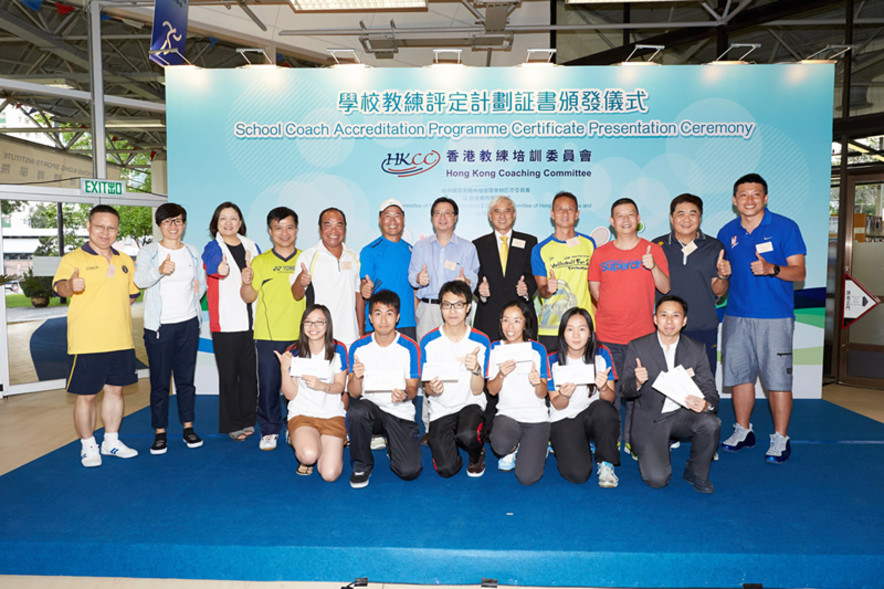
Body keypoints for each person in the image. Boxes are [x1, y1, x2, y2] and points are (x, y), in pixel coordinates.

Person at [717, 173, 806, 464]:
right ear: (734, 200)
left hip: (775, 317)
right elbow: (722, 279)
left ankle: (781, 438)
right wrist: (722, 276)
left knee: (778, 380)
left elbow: (799, 272)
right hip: (736, 316)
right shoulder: (727, 232)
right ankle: (743, 430)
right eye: (743, 195)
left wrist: (773, 269)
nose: (749, 200)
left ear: (765, 198)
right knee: (740, 377)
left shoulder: (784, 227)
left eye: (756, 194)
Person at [53, 204, 140, 467]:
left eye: (111, 227)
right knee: (87, 396)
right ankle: (88, 445)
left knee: (115, 391)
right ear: (89, 227)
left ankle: (111, 441)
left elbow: (132, 293)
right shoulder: (73, 259)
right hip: (87, 342)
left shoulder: (125, 260)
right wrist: (72, 285)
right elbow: (60, 288)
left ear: (117, 230)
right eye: (100, 226)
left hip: (121, 339)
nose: (105, 232)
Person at [588, 197, 670, 454]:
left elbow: (665, 288)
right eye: (619, 215)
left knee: (638, 393)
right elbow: (595, 290)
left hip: (642, 336)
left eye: (630, 214)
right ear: (612, 222)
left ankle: (634, 439)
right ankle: (611, 438)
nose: (625, 219)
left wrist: (653, 267)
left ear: (638, 219)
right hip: (608, 336)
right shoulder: (601, 253)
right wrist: (615, 309)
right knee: (609, 393)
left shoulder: (652, 250)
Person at [620, 295, 721, 493]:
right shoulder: (637, 347)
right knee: (657, 480)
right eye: (663, 315)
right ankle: (656, 449)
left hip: (683, 414)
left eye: (675, 316)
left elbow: (710, 389)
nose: (669, 321)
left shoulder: (696, 349)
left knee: (711, 422)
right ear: (655, 319)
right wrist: (637, 382)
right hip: (651, 419)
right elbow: (625, 390)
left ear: (684, 321)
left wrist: (706, 404)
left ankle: (695, 471)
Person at [134, 203, 207, 455]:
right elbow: (139, 280)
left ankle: (188, 428)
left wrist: (195, 297)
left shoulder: (192, 251)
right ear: (159, 225)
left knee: (186, 381)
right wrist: (159, 271)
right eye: (167, 222)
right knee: (160, 383)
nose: (173, 226)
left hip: (187, 325)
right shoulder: (149, 252)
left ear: (184, 224)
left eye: (178, 221)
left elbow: (201, 284)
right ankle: (160, 432)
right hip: (159, 328)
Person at [241, 207, 306, 451]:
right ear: (270, 231)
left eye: (289, 227)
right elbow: (248, 297)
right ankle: (269, 429)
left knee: (301, 387)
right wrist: (246, 282)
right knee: (268, 386)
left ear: (296, 230)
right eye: (278, 228)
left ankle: (297, 426)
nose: (284, 233)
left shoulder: (306, 259)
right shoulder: (260, 261)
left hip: (302, 336)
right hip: (268, 336)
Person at [347, 290, 422, 488]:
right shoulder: (358, 347)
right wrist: (356, 376)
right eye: (378, 313)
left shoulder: (410, 347)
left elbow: (413, 387)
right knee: (357, 410)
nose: (383, 320)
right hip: (372, 412)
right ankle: (362, 464)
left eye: (389, 314)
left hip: (400, 413)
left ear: (397, 317)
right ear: (370, 317)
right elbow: (353, 393)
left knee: (409, 471)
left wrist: (405, 394)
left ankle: (392, 441)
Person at [202, 202, 261, 441]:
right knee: (229, 376)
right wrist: (220, 267)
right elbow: (214, 265)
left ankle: (248, 419)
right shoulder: (213, 247)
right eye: (223, 219)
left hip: (252, 323)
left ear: (240, 222)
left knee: (249, 375)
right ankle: (232, 422)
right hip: (225, 323)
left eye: (233, 218)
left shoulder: (251, 245)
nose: (228, 223)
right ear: (216, 223)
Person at [652, 194, 730, 375]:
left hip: (703, 326)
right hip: (667, 327)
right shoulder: (657, 246)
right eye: (680, 214)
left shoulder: (714, 247)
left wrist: (723, 276)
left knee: (703, 381)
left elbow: (718, 292)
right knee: (666, 383)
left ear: (700, 218)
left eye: (692, 214)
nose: (686, 219)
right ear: (671, 218)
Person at [420, 280, 490, 478]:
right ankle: (451, 441)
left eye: (458, 305)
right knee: (446, 469)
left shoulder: (480, 340)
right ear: (440, 306)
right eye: (446, 304)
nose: (452, 311)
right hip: (441, 408)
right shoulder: (428, 341)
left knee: (467, 434)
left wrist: (476, 369)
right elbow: (428, 390)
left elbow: (477, 391)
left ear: (468, 307)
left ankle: (477, 454)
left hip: (470, 403)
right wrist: (434, 388)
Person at [547, 307, 620, 488]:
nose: (576, 335)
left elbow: (609, 399)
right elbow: (557, 405)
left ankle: (606, 462)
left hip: (591, 415)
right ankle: (572, 445)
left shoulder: (602, 354)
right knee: (577, 474)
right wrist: (564, 395)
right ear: (563, 333)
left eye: (582, 329)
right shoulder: (552, 359)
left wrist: (603, 387)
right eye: (570, 329)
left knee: (605, 409)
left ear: (590, 333)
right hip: (563, 418)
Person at [275, 304, 348, 482]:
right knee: (308, 455)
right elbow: (291, 395)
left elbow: (340, 387)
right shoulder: (293, 352)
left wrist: (322, 386)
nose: (313, 327)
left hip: (331, 415)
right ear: (302, 325)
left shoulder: (339, 349)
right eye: (308, 322)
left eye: (319, 322)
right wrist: (285, 369)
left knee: (329, 475)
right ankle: (301, 440)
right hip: (303, 414)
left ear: (327, 325)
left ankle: (319, 442)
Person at [486, 299, 549, 486]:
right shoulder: (495, 348)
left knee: (527, 477)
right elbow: (491, 390)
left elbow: (543, 393)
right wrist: (500, 374)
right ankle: (512, 447)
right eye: (505, 320)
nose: (510, 326)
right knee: (499, 443)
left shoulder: (537, 350)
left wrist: (538, 382)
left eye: (516, 320)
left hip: (536, 418)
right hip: (508, 415)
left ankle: (536, 445)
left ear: (525, 323)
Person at [532, 191, 596, 352]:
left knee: (585, 375)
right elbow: (542, 291)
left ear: (577, 214)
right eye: (560, 209)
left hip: (584, 326)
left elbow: (596, 284)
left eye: (570, 209)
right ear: (552, 214)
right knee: (551, 376)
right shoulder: (540, 249)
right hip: (552, 327)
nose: (565, 213)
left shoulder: (589, 244)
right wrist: (548, 289)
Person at [408, 197, 479, 342]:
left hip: (457, 309)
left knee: (459, 355)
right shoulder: (421, 246)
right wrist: (418, 278)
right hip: (429, 309)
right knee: (427, 355)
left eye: (447, 213)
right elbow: (412, 276)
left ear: (455, 218)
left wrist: (466, 281)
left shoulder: (467, 247)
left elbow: (473, 278)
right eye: (438, 213)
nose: (442, 217)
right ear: (432, 217)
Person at [292, 208, 362, 347]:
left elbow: (359, 296)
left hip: (350, 336)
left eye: (339, 225)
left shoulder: (354, 256)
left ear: (345, 229)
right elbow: (296, 295)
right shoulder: (308, 256)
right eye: (328, 225)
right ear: (320, 229)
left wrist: (360, 332)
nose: (334, 231)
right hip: (319, 337)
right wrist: (300, 282)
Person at [473, 195, 538, 339]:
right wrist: (480, 291)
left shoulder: (529, 242)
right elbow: (475, 277)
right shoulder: (478, 245)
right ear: (490, 216)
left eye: (507, 211)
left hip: (521, 316)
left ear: (514, 214)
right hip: (489, 316)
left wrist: (527, 287)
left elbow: (534, 274)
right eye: (497, 211)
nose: (502, 216)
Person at [359, 199, 418, 341]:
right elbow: (364, 284)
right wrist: (365, 289)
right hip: (380, 323)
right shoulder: (370, 250)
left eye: (397, 215)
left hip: (407, 323)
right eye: (387, 216)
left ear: (403, 219)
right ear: (380, 219)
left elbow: (415, 290)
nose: (392, 220)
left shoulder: (412, 250)